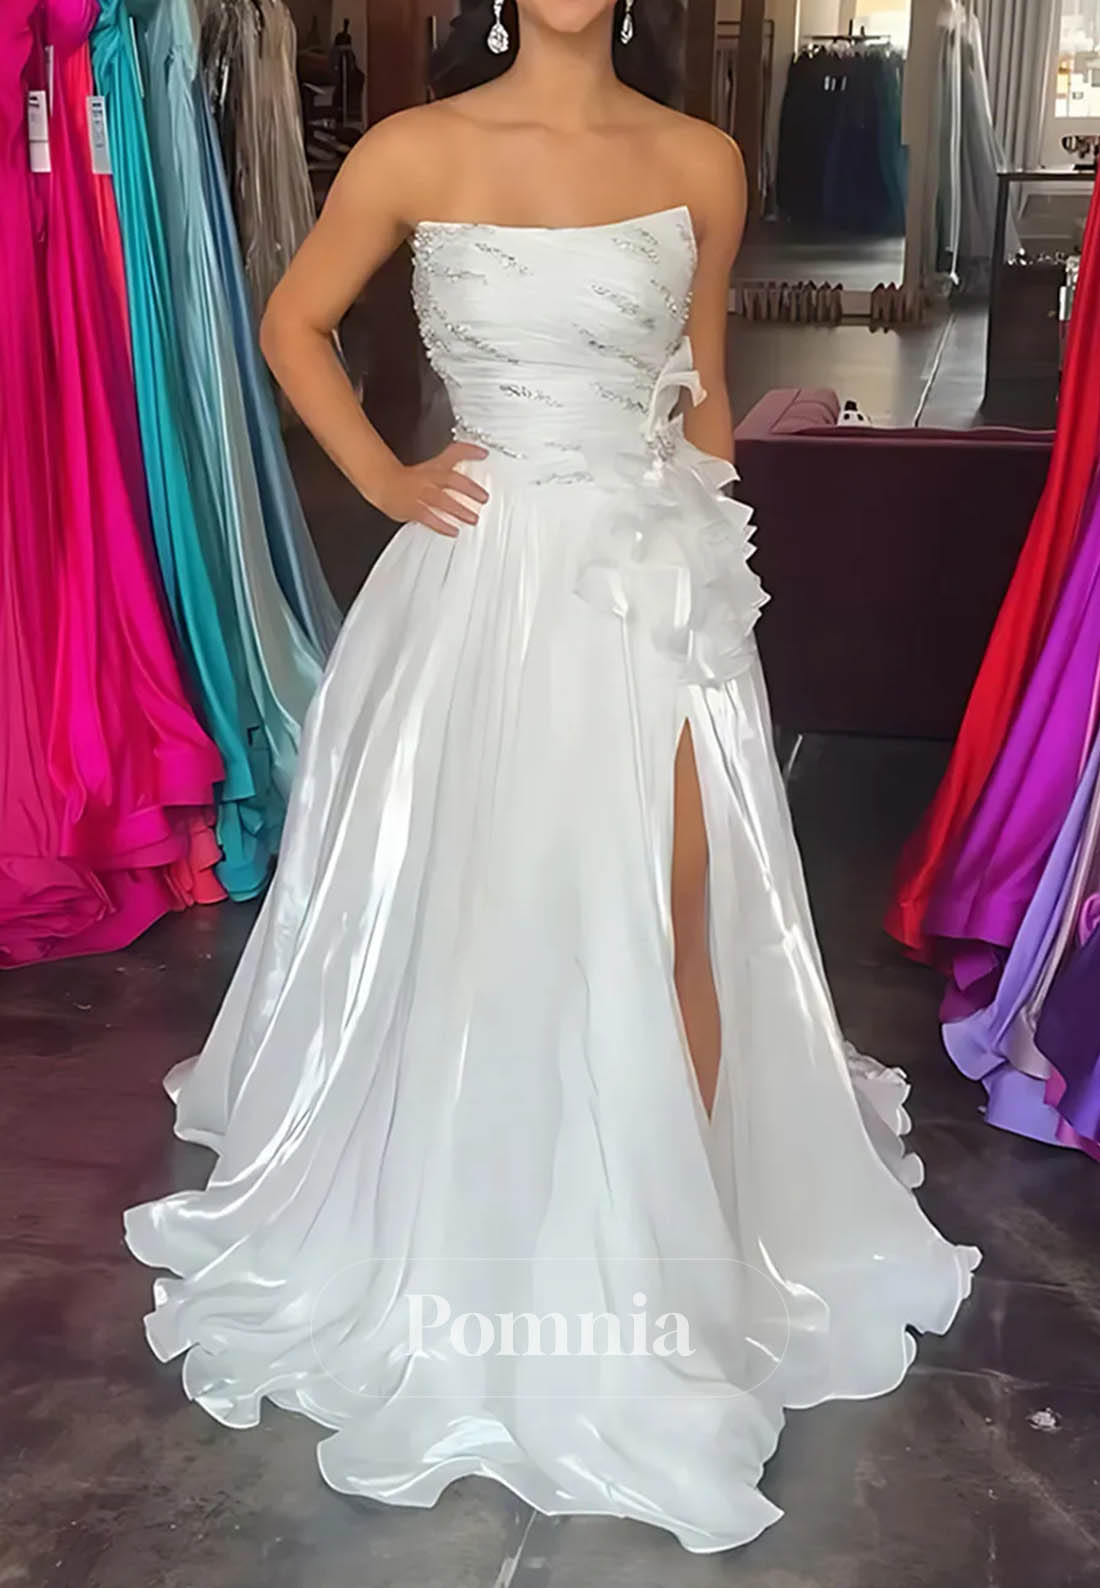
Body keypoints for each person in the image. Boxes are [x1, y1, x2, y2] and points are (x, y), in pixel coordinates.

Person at [125, 0, 979, 1553]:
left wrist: (719, 579)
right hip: (484, 577)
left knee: (676, 901)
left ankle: (671, 1256)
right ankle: (491, 1209)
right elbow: (290, 324)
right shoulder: (413, 147)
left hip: (652, 586)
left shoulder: (700, 159)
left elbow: (703, 382)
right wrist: (386, 478)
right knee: (497, 904)